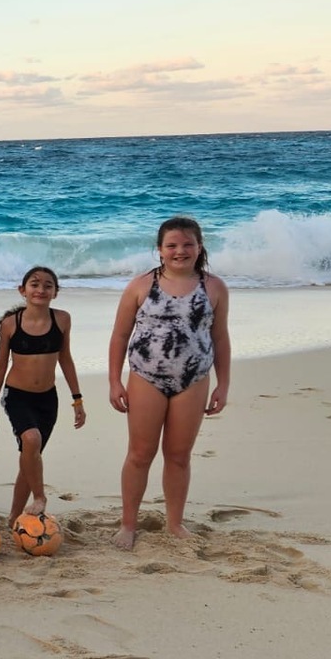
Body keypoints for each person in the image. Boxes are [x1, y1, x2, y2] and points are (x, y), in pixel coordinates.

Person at [108, 217, 230, 550]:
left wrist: (223, 385)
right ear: (160, 250)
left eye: (188, 244)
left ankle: (175, 523)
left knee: (178, 456)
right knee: (140, 453)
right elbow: (120, 335)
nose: (180, 251)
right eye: (172, 245)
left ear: (200, 247)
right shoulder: (140, 286)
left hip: (194, 379)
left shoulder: (215, 287)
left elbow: (220, 337)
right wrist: (114, 381)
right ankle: (128, 524)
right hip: (146, 377)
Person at [0, 266, 85, 527]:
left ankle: (14, 518)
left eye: (48, 285)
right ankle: (40, 497)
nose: (41, 289)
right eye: (34, 284)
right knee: (31, 439)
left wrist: (77, 399)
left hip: (47, 399)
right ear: (23, 290)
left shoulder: (62, 319)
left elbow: (66, 359)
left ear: (55, 292)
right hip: (16, 395)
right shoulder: (10, 323)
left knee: (30, 459)